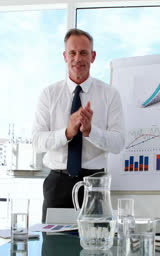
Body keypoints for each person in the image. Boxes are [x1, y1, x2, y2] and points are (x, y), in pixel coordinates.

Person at [32, 28, 125, 222]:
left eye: (84, 52)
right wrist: (66, 132)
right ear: (65, 56)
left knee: (97, 246)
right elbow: (36, 141)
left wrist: (91, 131)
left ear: (93, 56)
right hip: (57, 185)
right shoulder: (48, 94)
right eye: (72, 53)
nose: (77, 58)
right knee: (55, 248)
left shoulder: (110, 95)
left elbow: (118, 143)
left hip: (95, 185)